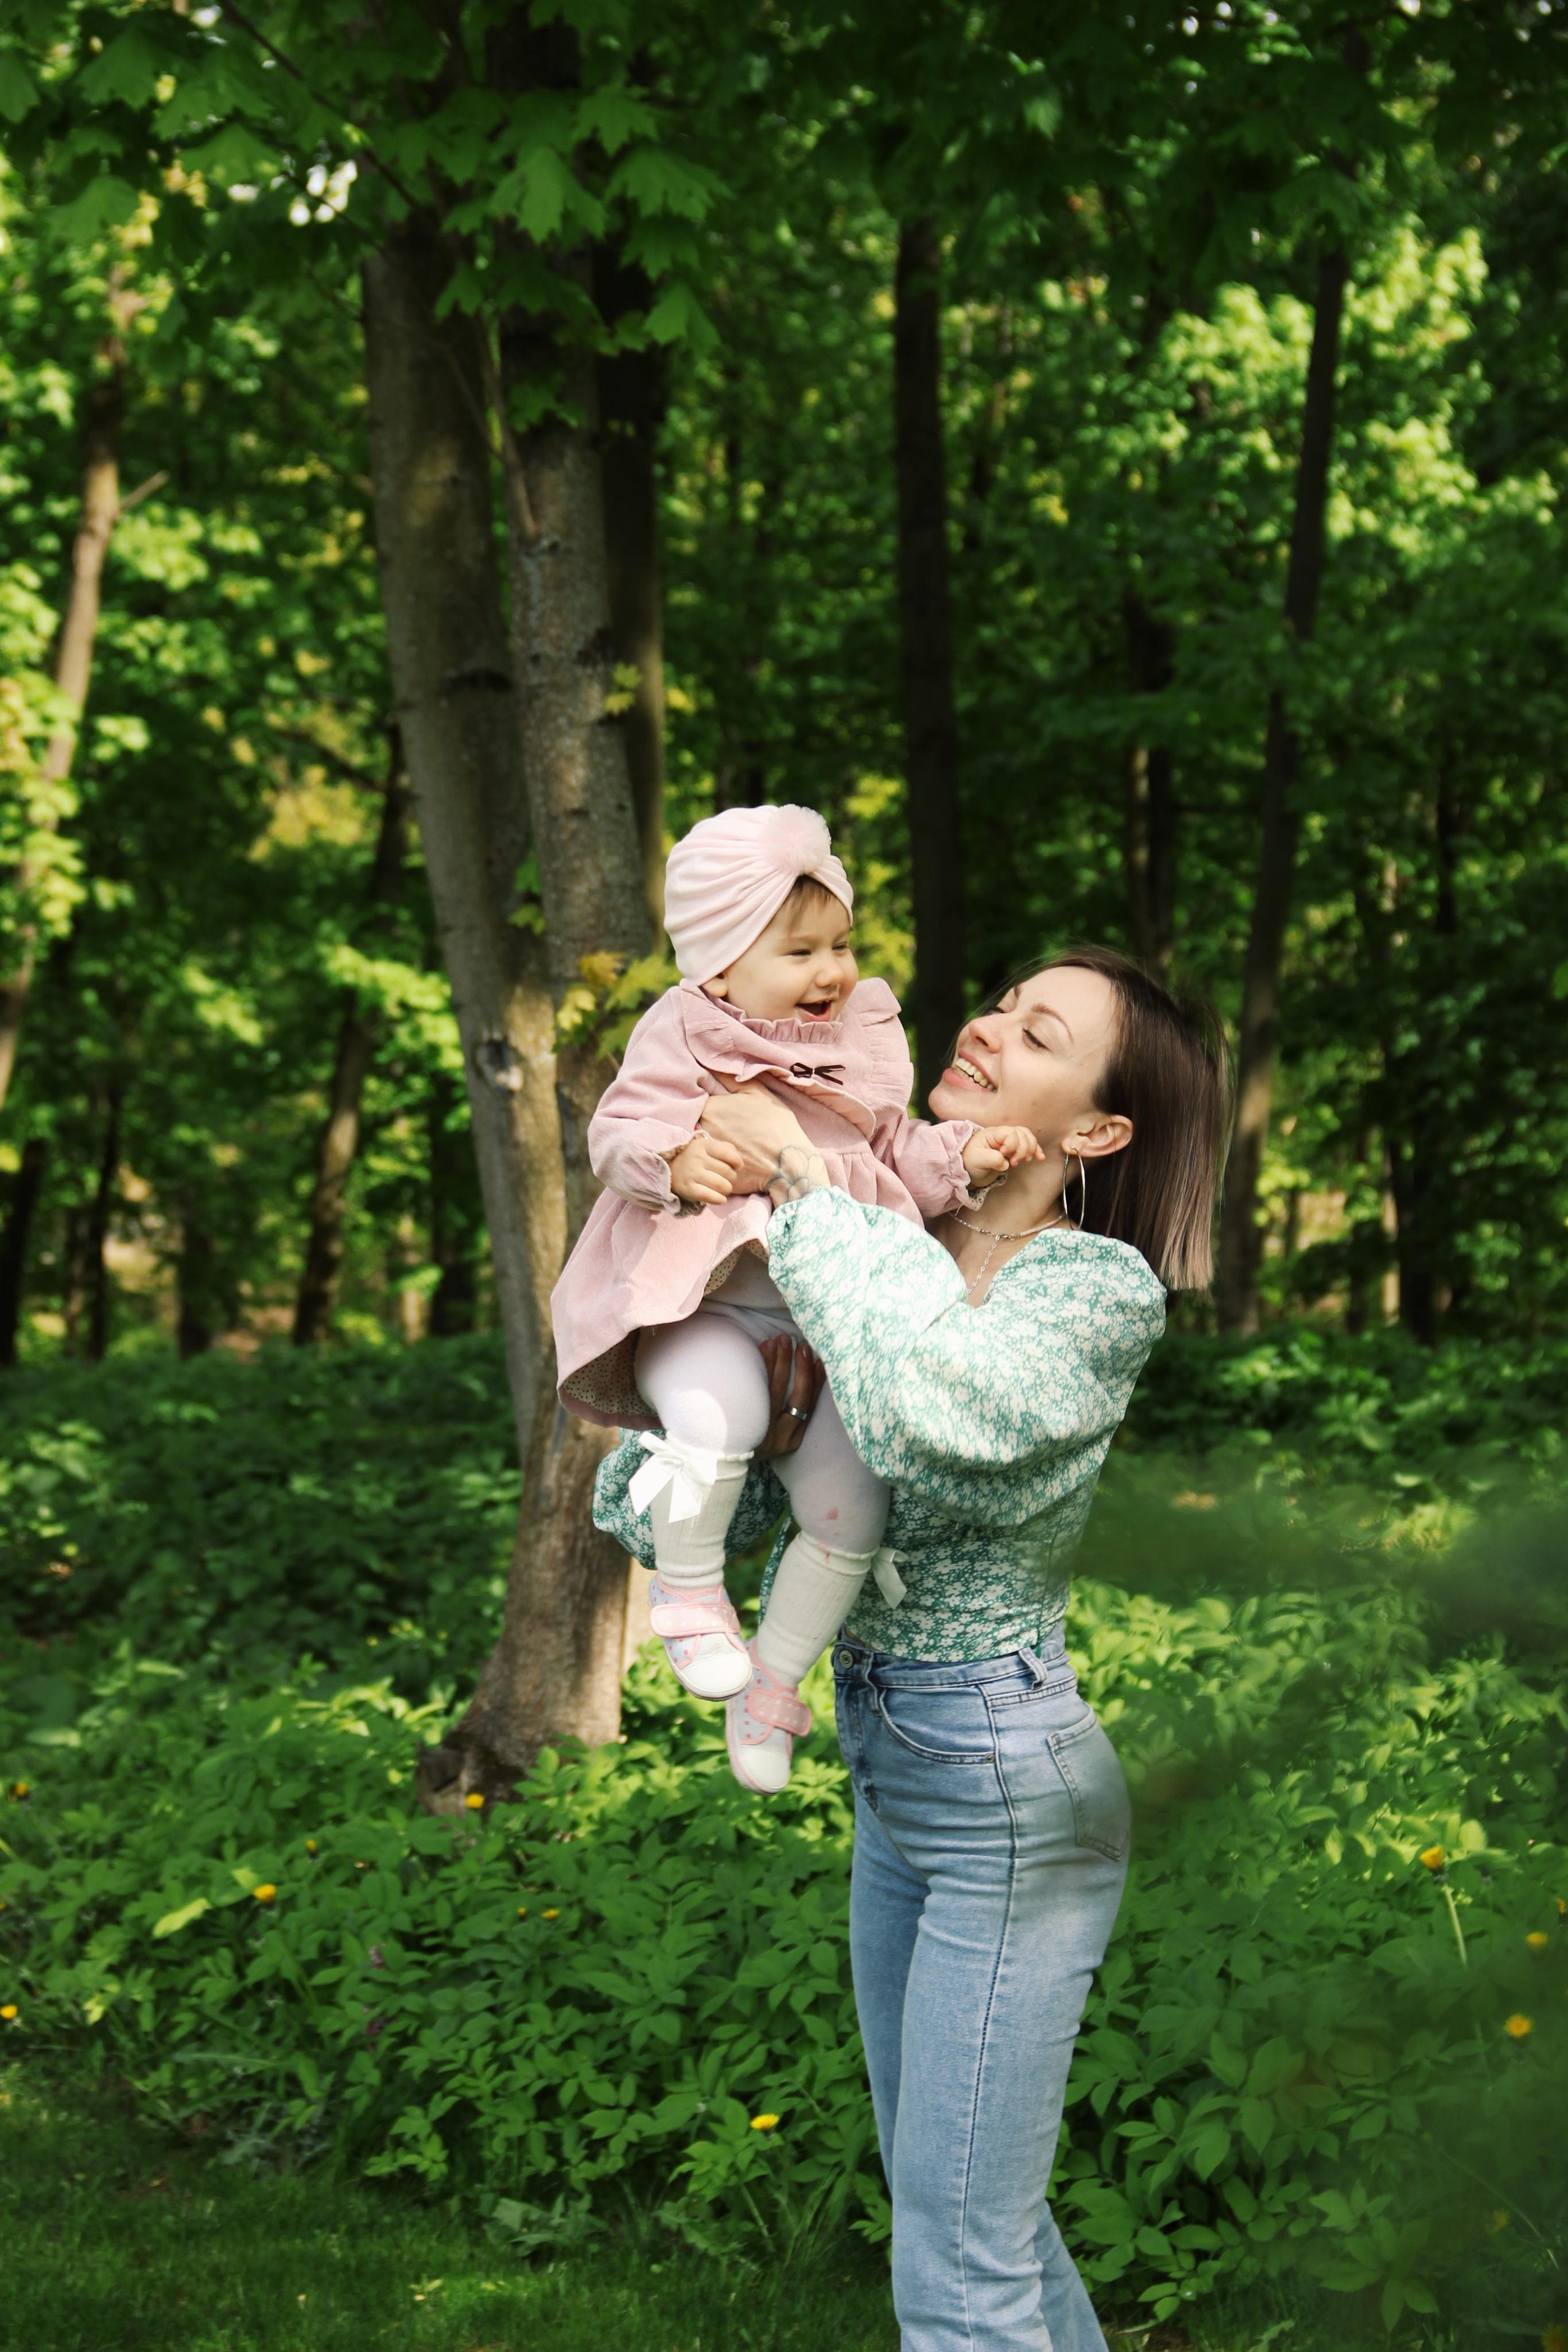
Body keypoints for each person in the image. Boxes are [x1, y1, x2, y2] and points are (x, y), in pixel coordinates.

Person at [595, 946, 1227, 2352]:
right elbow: (705, 1489)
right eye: (999, 1003)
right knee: (966, 2217)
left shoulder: (1089, 1293)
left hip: (1005, 1791)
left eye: (1038, 1033)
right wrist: (696, 1442)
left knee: (955, 2265)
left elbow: (938, 1420)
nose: (986, 1029)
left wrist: (805, 1182)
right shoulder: (886, 1234)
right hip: (895, 1779)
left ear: (1097, 1131)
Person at [550, 802, 1039, 1792]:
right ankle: (690, 1597)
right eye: (800, 951)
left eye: (841, 946)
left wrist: (962, 1160)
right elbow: (617, 1129)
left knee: (852, 1510)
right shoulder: (686, 1029)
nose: (831, 972)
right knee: (716, 1414)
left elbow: (889, 1154)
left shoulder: (859, 1042)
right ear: (720, 966)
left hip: (825, 1332)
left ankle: (771, 1683)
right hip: (710, 1305)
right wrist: (673, 1159)